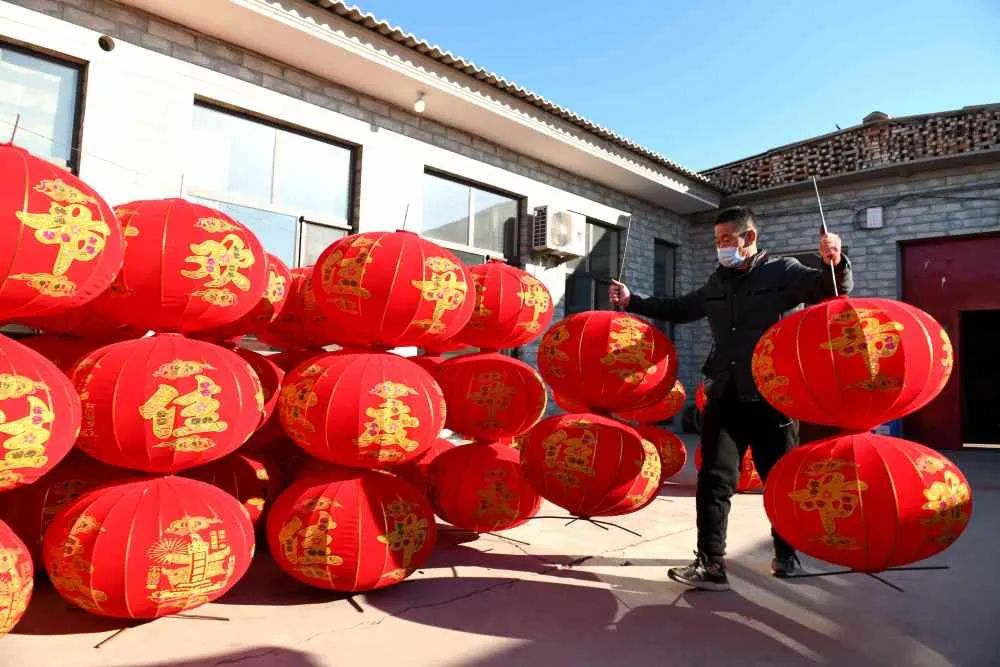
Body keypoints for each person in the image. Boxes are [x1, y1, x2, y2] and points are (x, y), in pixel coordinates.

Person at [609, 205, 853, 591]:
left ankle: (786, 554)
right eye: (716, 240)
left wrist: (834, 261)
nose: (720, 246)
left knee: (780, 481)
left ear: (749, 237)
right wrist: (632, 301)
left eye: (726, 239)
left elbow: (828, 287)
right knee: (714, 480)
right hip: (726, 394)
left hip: (773, 398)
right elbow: (681, 308)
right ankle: (711, 563)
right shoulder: (717, 282)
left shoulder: (782, 272)